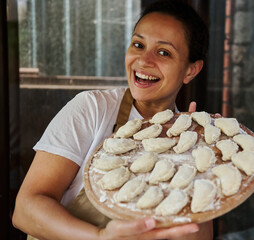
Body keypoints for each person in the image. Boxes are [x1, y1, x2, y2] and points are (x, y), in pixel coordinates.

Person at [12, 0, 213, 239]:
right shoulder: (93, 109)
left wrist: (192, 161)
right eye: (138, 44)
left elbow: (195, 236)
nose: (143, 61)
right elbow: (25, 210)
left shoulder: (190, 140)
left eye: (163, 52)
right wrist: (100, 236)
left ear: (191, 70)